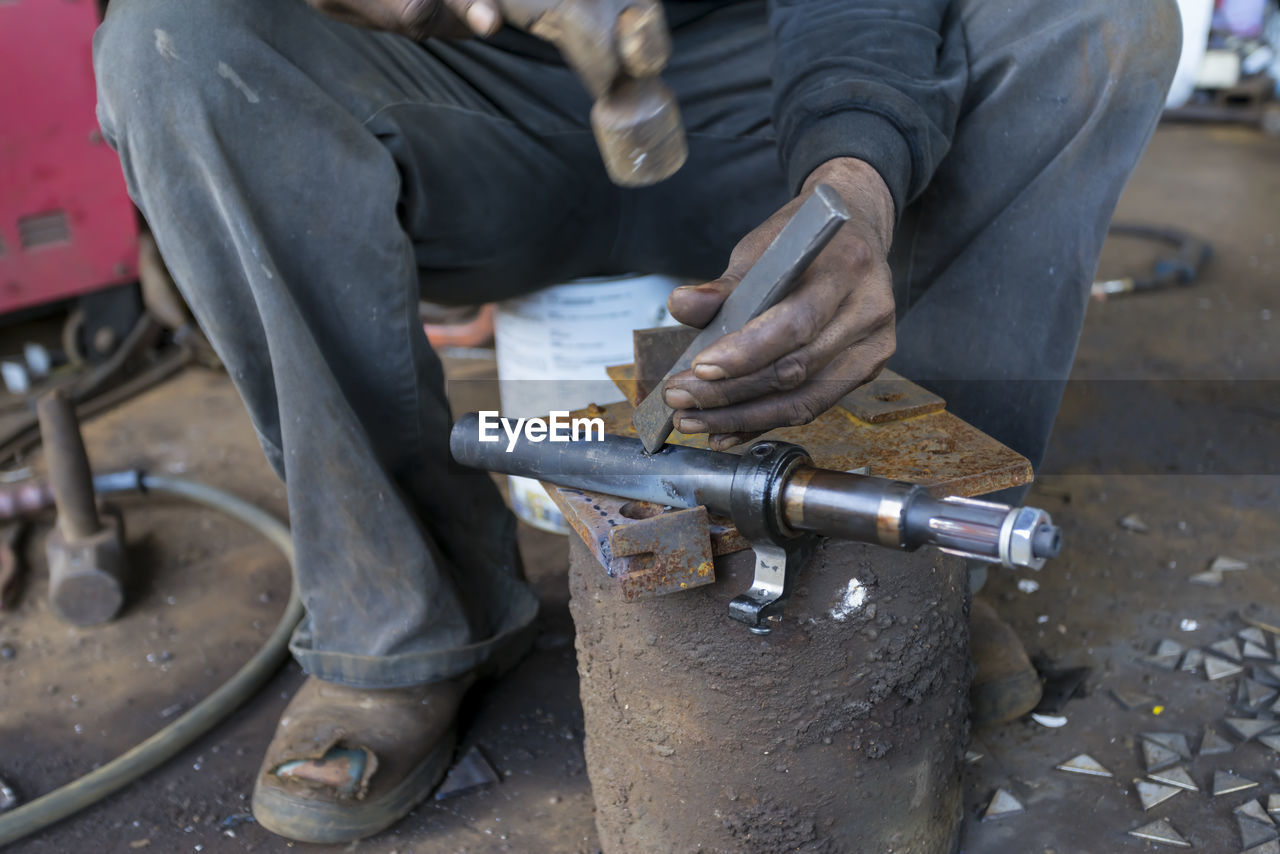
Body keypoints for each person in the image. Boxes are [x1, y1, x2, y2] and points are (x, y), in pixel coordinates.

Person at [92, 0, 1181, 843]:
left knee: (1091, 18)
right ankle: (404, 620)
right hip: (460, 108)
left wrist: (854, 172)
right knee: (169, 42)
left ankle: (905, 573)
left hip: (758, 89)